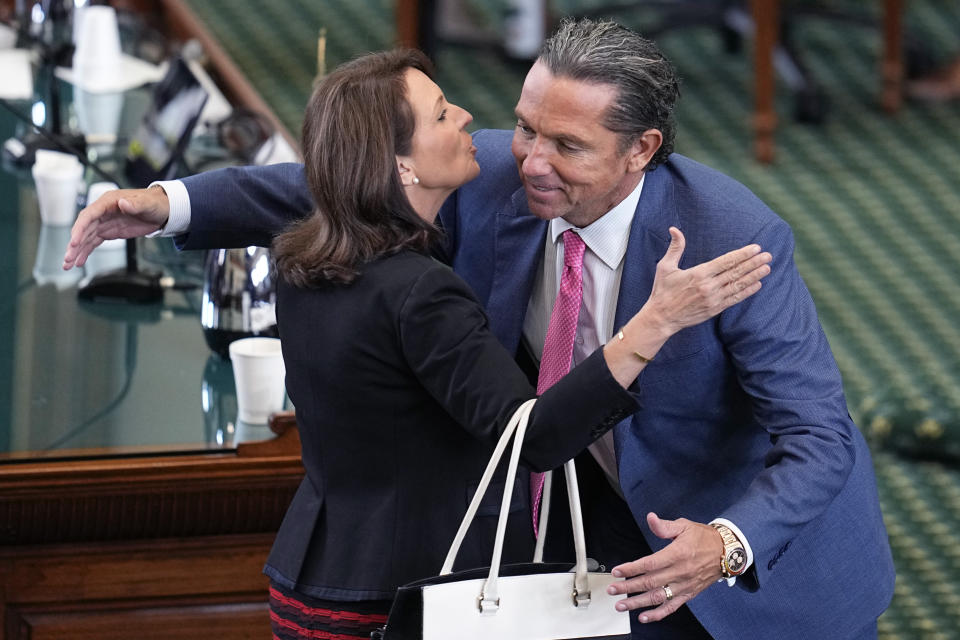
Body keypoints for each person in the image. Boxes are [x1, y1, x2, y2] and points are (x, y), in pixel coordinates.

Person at [63, 18, 894, 640]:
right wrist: (163, 204)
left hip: (737, 551)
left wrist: (727, 542)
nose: (529, 159)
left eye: (565, 145)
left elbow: (821, 435)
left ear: (640, 150)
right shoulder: (496, 173)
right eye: (527, 127)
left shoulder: (728, 238)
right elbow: (331, 176)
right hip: (576, 514)